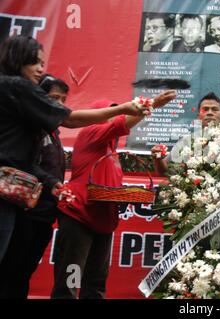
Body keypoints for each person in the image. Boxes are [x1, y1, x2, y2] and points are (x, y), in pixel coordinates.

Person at [0, 35, 150, 266]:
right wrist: (130, 108)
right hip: (71, 211)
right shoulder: (18, 87)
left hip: (28, 196)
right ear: (19, 59)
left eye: (43, 63)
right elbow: (71, 119)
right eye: (36, 62)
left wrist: (51, 183)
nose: (41, 69)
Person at [51, 90, 176, 299]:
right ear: (95, 115)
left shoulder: (112, 152)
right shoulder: (90, 132)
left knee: (96, 281)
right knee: (71, 279)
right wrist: (153, 103)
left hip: (103, 221)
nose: (115, 119)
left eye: (115, 115)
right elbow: (121, 124)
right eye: (109, 114)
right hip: (79, 215)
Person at [0, 74, 70, 298]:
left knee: (25, 271)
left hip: (45, 213)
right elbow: (25, 163)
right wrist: (51, 182)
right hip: (24, 210)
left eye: (63, 99)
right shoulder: (30, 128)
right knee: (10, 271)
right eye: (53, 97)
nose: (58, 104)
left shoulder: (53, 131)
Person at [151, 92, 220, 176]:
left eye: (215, 109)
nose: (210, 113)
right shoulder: (186, 141)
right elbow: (165, 172)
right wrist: (158, 158)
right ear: (198, 116)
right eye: (205, 109)